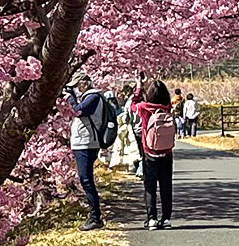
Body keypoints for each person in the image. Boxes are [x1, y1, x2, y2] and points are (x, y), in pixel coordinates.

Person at [66, 73, 120, 230]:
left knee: (86, 179)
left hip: (87, 143)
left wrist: (69, 97)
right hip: (82, 143)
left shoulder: (93, 97)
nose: (77, 88)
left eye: (77, 85)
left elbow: (78, 111)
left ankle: (95, 217)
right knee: (85, 179)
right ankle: (95, 216)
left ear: (85, 83)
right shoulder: (88, 97)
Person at [128, 79, 177, 230]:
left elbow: (132, 106)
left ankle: (152, 219)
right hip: (167, 152)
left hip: (149, 152)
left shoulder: (144, 107)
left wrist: (138, 88)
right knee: (166, 186)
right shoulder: (167, 107)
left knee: (150, 187)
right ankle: (166, 219)